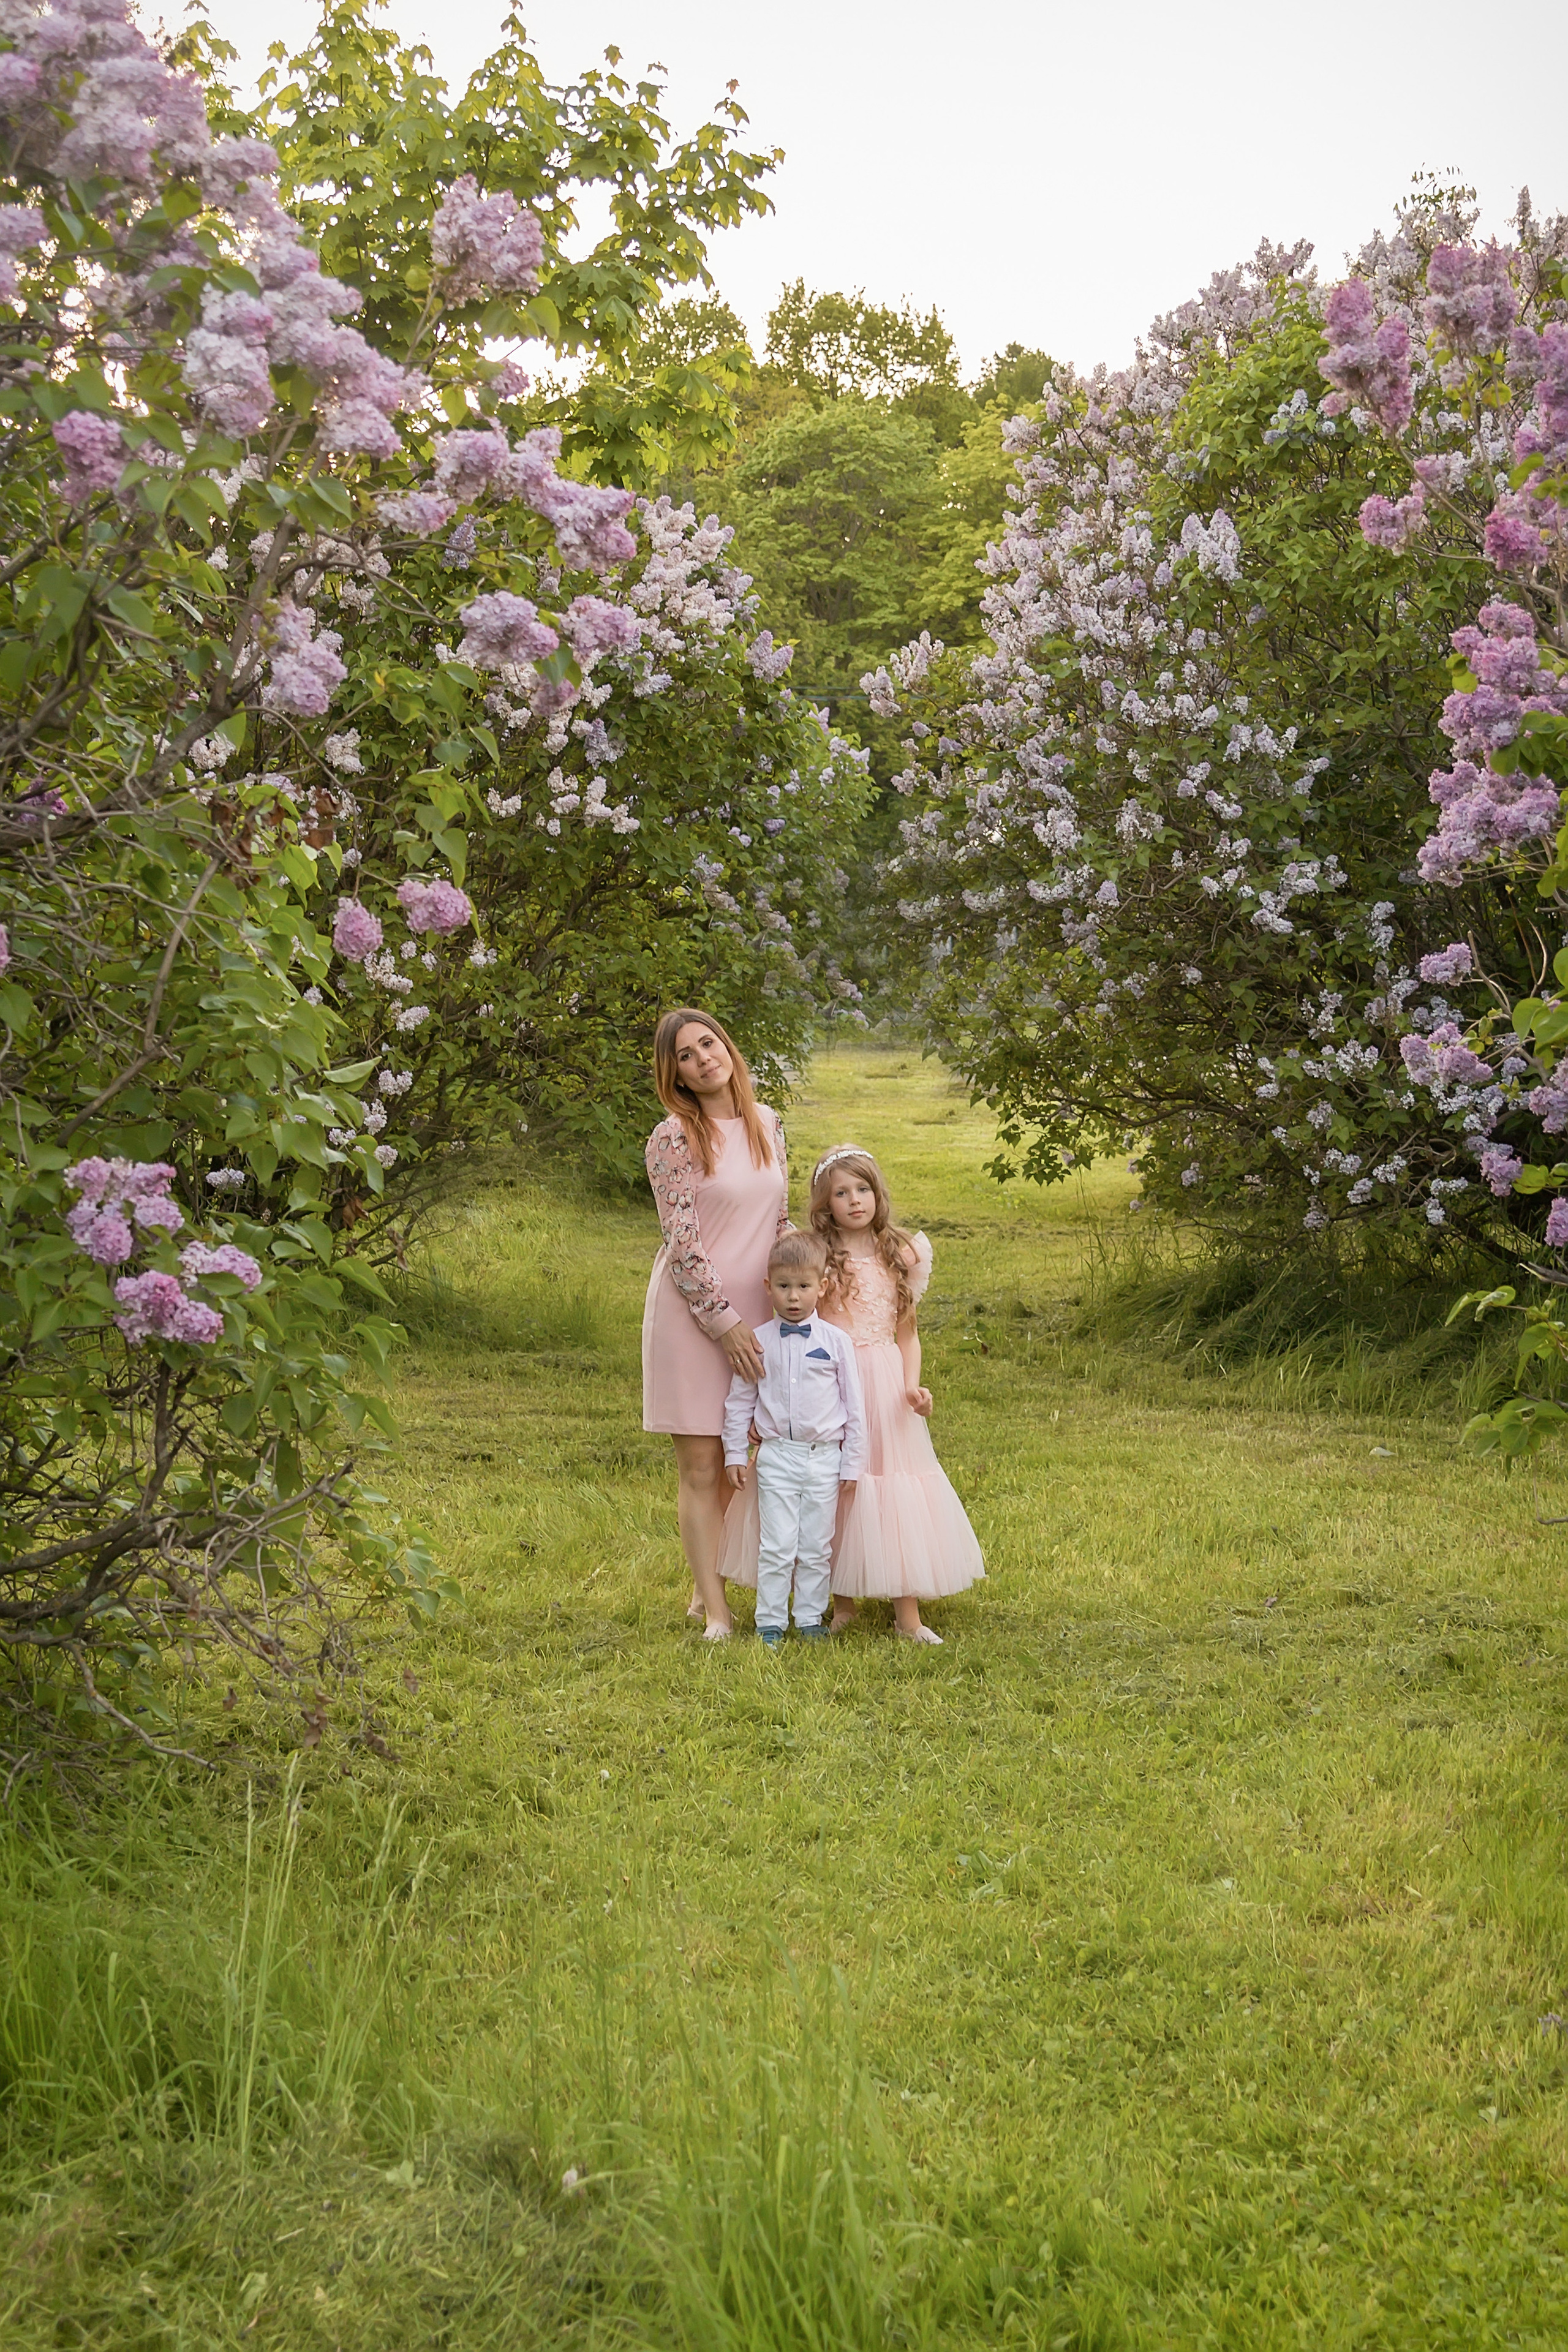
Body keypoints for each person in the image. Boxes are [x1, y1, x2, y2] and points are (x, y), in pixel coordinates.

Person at [642, 1007, 788, 1642]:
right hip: (694, 1316)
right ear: (674, 1074)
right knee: (703, 1466)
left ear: (727, 1047)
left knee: (741, 1462)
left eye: (708, 1043)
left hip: (762, 1314)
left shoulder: (768, 1124)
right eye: (686, 1055)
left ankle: (705, 1590)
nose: (703, 1058)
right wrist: (722, 1320)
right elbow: (682, 1241)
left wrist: (806, 1285)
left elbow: (778, 1220)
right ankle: (719, 1615)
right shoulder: (673, 1137)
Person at [814, 1144, 984, 1642]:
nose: (854, 1200)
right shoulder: (818, 1257)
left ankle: (907, 1616)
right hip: (833, 1381)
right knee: (838, 1485)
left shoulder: (901, 1254)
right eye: (841, 1193)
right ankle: (842, 1602)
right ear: (825, 1203)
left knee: (891, 1486)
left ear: (878, 1193)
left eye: (863, 1189)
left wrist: (911, 1386)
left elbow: (907, 1334)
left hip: (885, 1384)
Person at [721, 1229, 865, 1647]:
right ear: (769, 1287)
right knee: (777, 1544)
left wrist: (852, 1462)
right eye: (784, 1287)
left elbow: (854, 1408)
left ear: (822, 1287)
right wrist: (735, 1453)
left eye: (803, 1287)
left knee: (816, 1545)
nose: (794, 1297)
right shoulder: (759, 1342)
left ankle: (809, 1618)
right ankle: (770, 1621)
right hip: (777, 1457)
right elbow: (739, 1401)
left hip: (825, 1458)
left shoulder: (836, 1343)